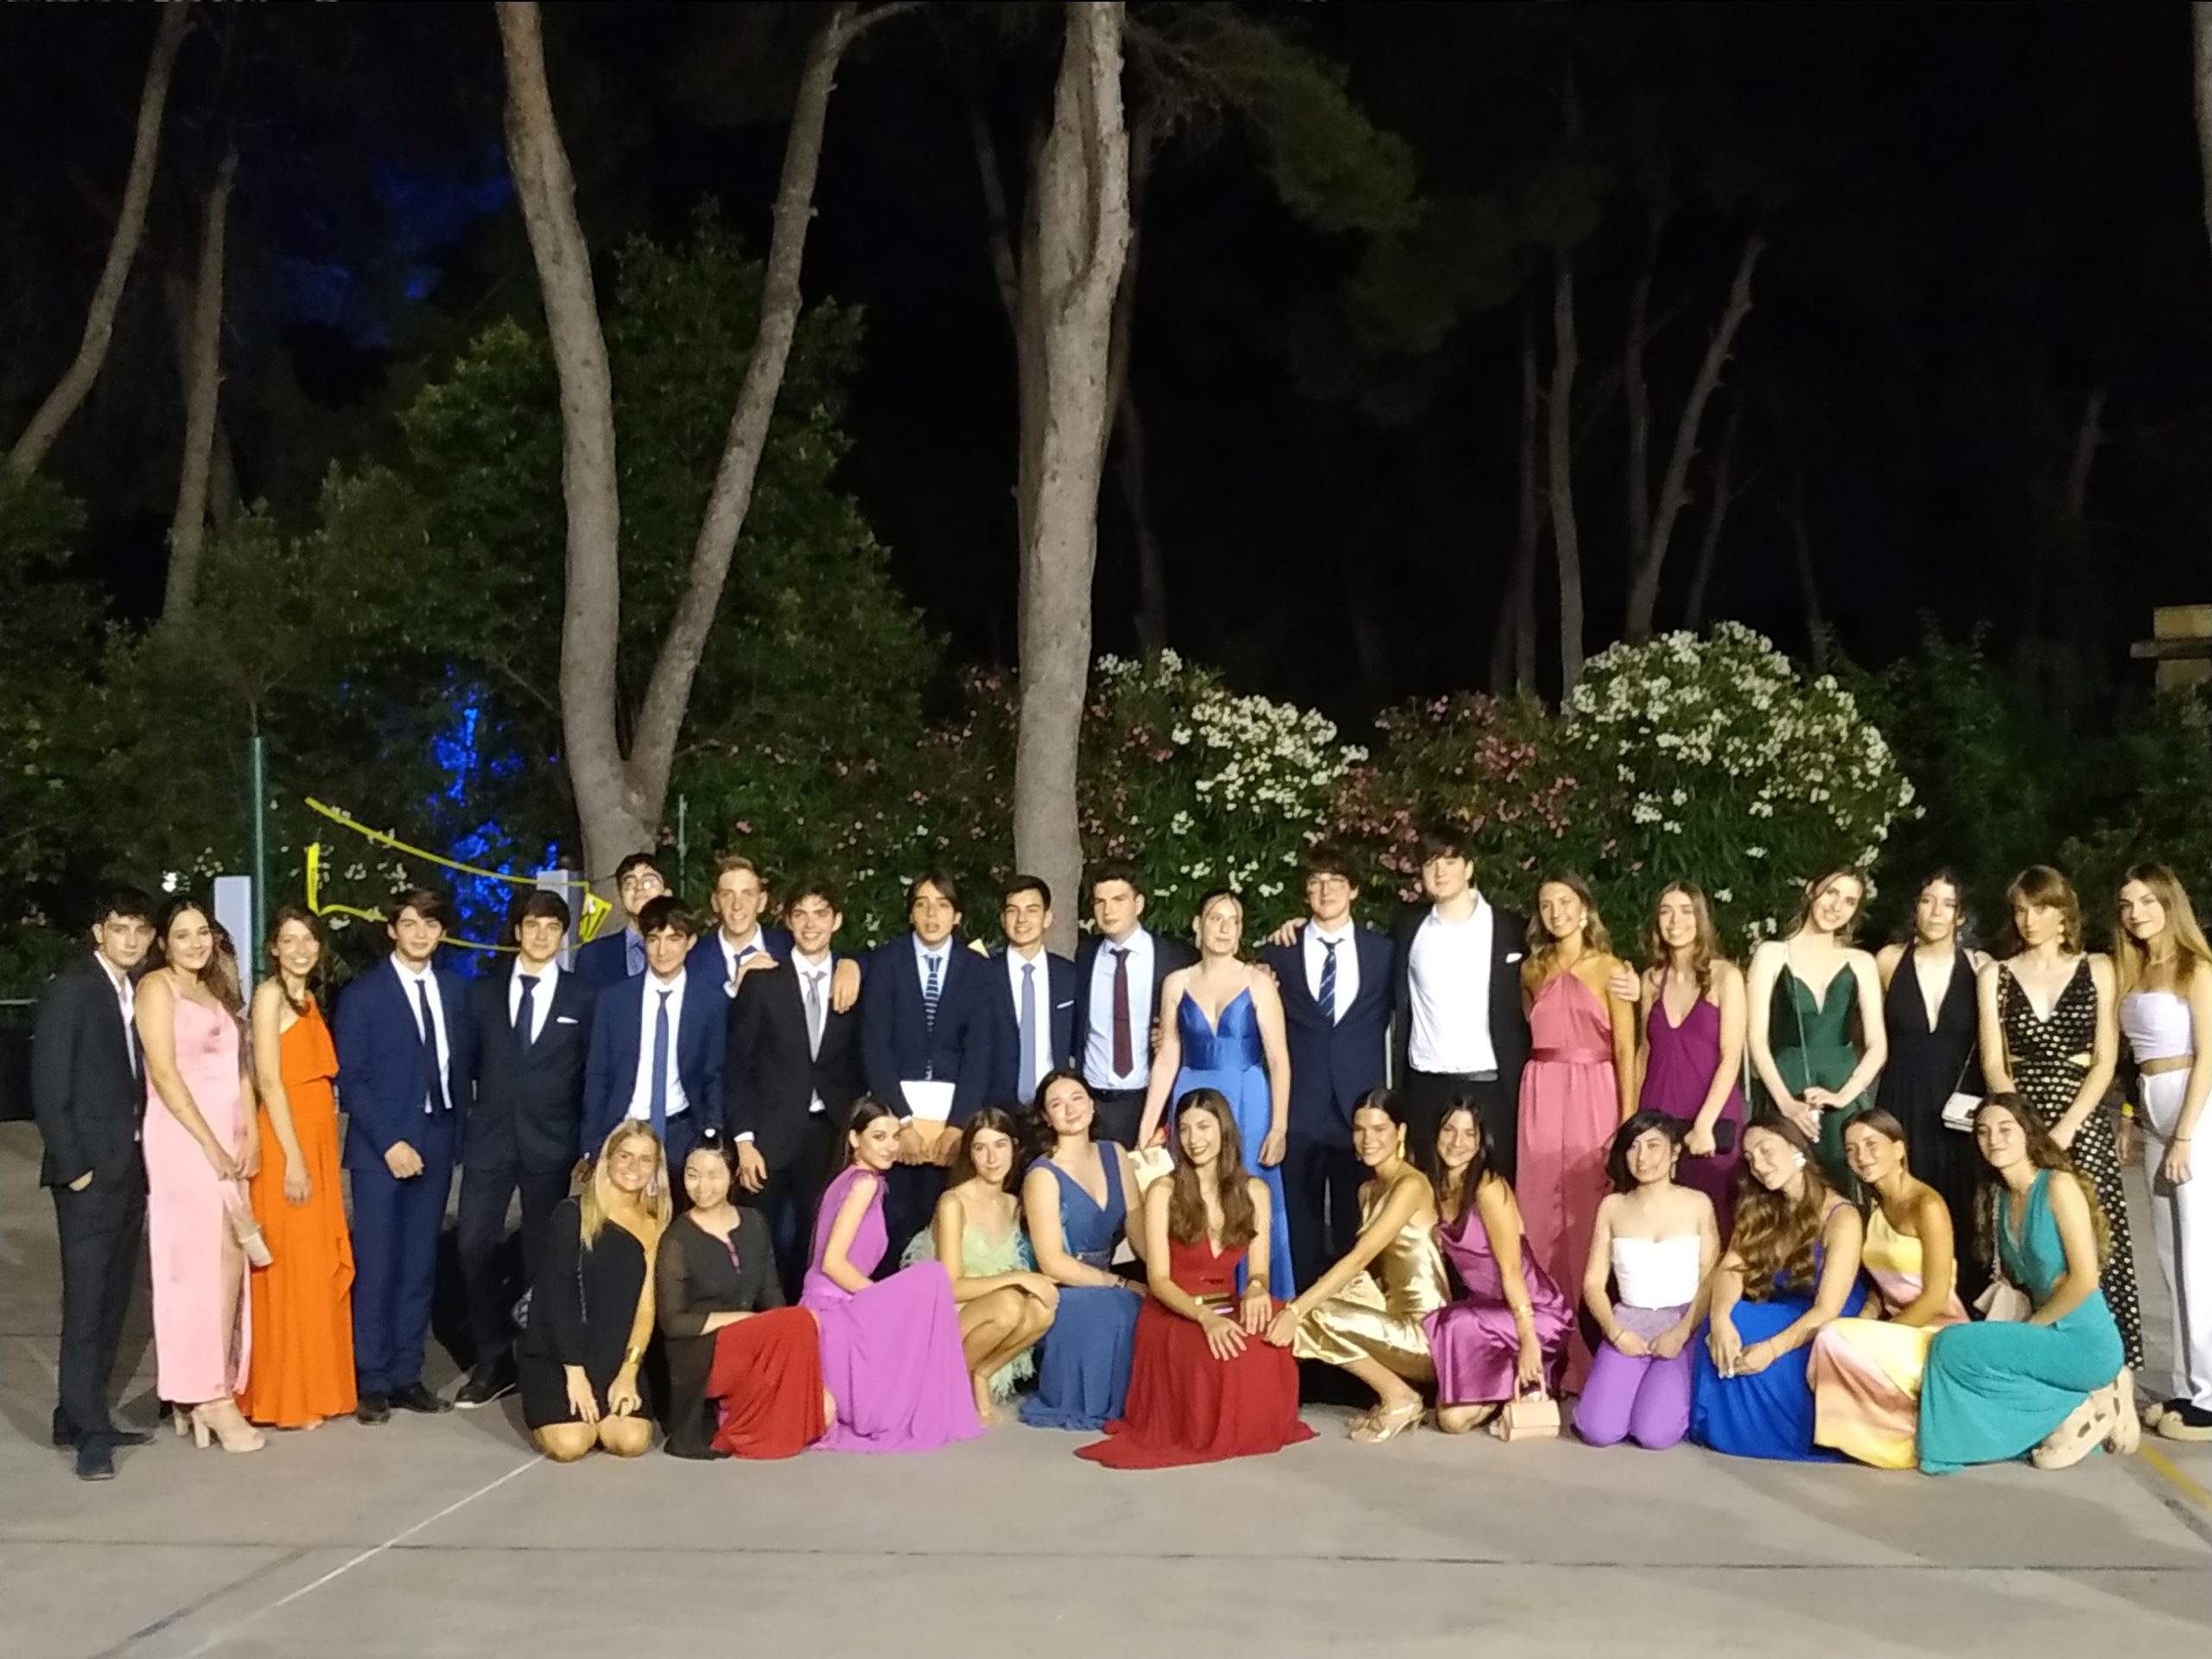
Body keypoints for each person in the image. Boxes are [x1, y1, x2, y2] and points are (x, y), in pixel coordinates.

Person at [1077, 1088, 1314, 1468]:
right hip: (1175, 1311)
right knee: (1222, 1357)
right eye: (1185, 1129)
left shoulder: (1255, 1191)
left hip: (1228, 1303)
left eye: (1203, 1126)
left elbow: (1258, 1272)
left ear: (1224, 1130)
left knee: (1270, 1343)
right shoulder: (1164, 1191)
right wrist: (1205, 1319)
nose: (1193, 1139)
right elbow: (1158, 1280)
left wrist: (1256, 1288)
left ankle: (1254, 1426)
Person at [1977, 864, 2140, 1373]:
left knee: (2095, 1237)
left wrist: (2068, 1126)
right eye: (2021, 910)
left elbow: (2105, 1061)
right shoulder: (1995, 975)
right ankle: (2037, 1352)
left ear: (2064, 912)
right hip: (2018, 1117)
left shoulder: (2098, 968)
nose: (2029, 920)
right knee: (2030, 1239)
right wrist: (2020, 1128)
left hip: (2080, 1115)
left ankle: (2110, 1370)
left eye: (2041, 908)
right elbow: (1994, 1063)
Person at [1919, 1095, 2132, 1473]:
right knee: (1956, 1349)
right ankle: (2076, 1405)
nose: (1993, 1140)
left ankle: (2077, 1407)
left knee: (1951, 1346)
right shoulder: (1999, 1198)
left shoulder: (2058, 1186)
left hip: (2084, 1340)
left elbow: (2085, 1279)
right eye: (1983, 1132)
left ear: (2028, 1134)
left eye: (2005, 1130)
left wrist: (2033, 1327)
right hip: (2045, 1336)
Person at [334, 887, 471, 1424]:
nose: (420, 934)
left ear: (442, 933)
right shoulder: (363, 996)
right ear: (393, 929)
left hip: (437, 1139)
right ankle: (370, 1377)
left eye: (430, 925)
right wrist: (390, 1142)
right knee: (378, 1264)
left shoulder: (454, 991)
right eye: (410, 923)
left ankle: (406, 1373)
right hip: (381, 1149)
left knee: (419, 1265)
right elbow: (353, 1080)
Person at [34, 886, 158, 1480]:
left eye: (140, 929)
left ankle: (78, 1413)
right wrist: (75, 1166)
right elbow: (48, 1085)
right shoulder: (74, 988)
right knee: (87, 1306)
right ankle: (90, 1435)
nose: (131, 939)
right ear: (98, 932)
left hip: (129, 1169)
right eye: (120, 928)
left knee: (112, 1303)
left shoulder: (132, 989)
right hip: (88, 1175)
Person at [454, 891, 596, 1408]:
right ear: (517, 931)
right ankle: (492, 1357)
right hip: (489, 1141)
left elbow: (590, 1074)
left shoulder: (584, 997)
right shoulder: (482, 993)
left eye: (552, 927)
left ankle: (536, 1358)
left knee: (543, 1256)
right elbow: (464, 1067)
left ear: (563, 936)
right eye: (532, 925)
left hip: (552, 1145)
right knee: (473, 1245)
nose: (541, 935)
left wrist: (587, 1144)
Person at [136, 895, 262, 1452]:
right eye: (182, 934)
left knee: (230, 1260)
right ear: (164, 942)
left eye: (203, 932)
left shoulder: (216, 990)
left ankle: (210, 1388)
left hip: (228, 1141)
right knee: (194, 1267)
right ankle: (205, 1393)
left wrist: (250, 1132)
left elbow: (239, 1068)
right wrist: (209, 1143)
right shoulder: (156, 988)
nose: (195, 943)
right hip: (183, 1140)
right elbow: (164, 1074)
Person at [1138, 888, 1296, 1295]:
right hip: (1191, 1091)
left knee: (1247, 1193)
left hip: (1249, 1098)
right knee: (1193, 1191)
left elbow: (1278, 1059)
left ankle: (1259, 1294)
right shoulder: (1176, 983)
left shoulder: (1258, 983)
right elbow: (1168, 1053)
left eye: (1233, 921)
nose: (1225, 929)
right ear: (1198, 925)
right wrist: (1147, 1126)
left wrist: (1279, 1127)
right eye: (1216, 918)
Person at [802, 1098, 982, 1452]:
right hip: (834, 1314)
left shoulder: (849, 1180)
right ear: (855, 1139)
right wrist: (880, 1299)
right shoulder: (864, 1183)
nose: (890, 1146)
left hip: (830, 1307)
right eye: (879, 1136)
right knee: (932, 1277)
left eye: (895, 1136)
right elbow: (832, 1263)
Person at [1269, 1090, 1448, 1443]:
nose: (1368, 1140)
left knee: (1312, 1314)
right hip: (1392, 1317)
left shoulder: (1411, 1184)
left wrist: (1296, 1309)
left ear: (1401, 1132)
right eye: (1360, 1129)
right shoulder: (1367, 1189)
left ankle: (1400, 1397)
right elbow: (1374, 1271)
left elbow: (1359, 1258)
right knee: (1310, 1311)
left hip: (1427, 1334)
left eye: (1380, 1129)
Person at [1516, 872, 1637, 1390]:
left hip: (1595, 1090)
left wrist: (1628, 1125)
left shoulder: (1611, 969)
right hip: (1542, 1091)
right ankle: (1546, 1350)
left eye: (1565, 902)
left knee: (1589, 1214)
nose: (1557, 912)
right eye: (1547, 904)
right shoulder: (1531, 970)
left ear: (1585, 909)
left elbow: (1627, 1050)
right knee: (1538, 1217)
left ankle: (1593, 1357)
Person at [1260, 845, 1396, 1300]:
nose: (1326, 890)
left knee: (1357, 1223)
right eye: (1316, 882)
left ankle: (1355, 1313)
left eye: (1336, 881)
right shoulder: (1278, 953)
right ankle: (1300, 1315)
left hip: (1361, 1110)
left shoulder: (1384, 953)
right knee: (1298, 1226)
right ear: (1305, 893)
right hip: (1299, 1106)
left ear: (1353, 890)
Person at [239, 906, 357, 1429]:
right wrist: (292, 1158)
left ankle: (315, 1388)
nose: (301, 949)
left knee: (312, 1264)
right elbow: (268, 1078)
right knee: (291, 1267)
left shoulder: (307, 998)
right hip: (289, 1140)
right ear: (273, 948)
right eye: (289, 940)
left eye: (308, 939)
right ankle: (287, 1395)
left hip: (316, 1136)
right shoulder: (268, 997)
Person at [1690, 1118, 1869, 1461]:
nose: (1758, 1164)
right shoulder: (1759, 1203)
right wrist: (1721, 1318)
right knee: (1727, 1320)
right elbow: (1731, 1268)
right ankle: (1726, 1428)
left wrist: (1771, 1350)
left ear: (1796, 1149)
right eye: (1749, 1157)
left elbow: (1827, 1309)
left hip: (1825, 1315)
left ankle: (1787, 1432)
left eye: (1766, 1150)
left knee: (1756, 1332)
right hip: (1783, 1303)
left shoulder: (1842, 1217)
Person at [727, 875, 864, 1302]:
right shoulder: (763, 982)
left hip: (830, 1132)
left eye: (820, 914)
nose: (810, 924)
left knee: (819, 1241)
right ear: (787, 921)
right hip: (767, 1135)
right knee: (757, 1242)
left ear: (836, 921)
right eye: (800, 914)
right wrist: (743, 1140)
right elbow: (738, 1066)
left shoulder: (855, 981)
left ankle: (811, 1326)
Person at [1806, 1110, 1966, 1468]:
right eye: (1851, 1149)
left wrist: (1880, 1334)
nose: (1861, 1156)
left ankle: (1900, 1442)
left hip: (1937, 1331)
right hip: (1896, 1327)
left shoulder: (1928, 1205)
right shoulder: (1874, 1206)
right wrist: (1869, 1314)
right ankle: (1874, 1437)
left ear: (1899, 1149)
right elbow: (1883, 1282)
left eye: (1871, 1145)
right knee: (1831, 1334)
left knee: (1833, 1337)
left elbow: (1936, 1296)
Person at [2114, 865, 2212, 1441]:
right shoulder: (2134, 967)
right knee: (2170, 1256)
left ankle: (2210, 1393)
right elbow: (2134, 1056)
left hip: (2191, 1105)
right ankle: (2185, 1385)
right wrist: (2131, 1115)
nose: (2137, 913)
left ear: (2170, 904)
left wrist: (2185, 1134)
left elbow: (2209, 1055)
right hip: (2151, 1102)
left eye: (2148, 901)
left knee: (2199, 1252)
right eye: (2128, 904)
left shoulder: (2195, 967)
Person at [656, 1132, 825, 1460]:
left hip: (750, 1341)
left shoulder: (754, 1222)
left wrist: (780, 1332)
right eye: (693, 1175)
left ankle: (785, 1411)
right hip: (701, 1352)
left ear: (732, 1175)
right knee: (798, 1321)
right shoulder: (677, 1239)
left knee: (801, 1323)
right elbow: (673, 1323)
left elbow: (771, 1293)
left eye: (713, 1175)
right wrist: (746, 1321)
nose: (702, 1186)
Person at [516, 1122, 671, 1461]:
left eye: (645, 1159)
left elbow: (646, 1306)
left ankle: (603, 1409)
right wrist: (574, 1373)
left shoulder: (654, 1224)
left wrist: (629, 1371)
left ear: (656, 1168)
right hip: (559, 1352)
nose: (634, 1166)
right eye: (625, 1156)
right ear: (607, 1159)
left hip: (613, 1353)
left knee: (631, 1441)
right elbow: (557, 1298)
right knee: (571, 1445)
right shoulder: (571, 1214)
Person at [860, 870, 997, 1250]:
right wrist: (900, 1121)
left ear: (957, 915)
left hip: (952, 1120)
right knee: (894, 1226)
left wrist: (958, 1125)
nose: (932, 915)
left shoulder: (978, 970)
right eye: (922, 905)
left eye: (942, 905)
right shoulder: (887, 962)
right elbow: (875, 1045)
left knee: (947, 1229)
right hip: (898, 1117)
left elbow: (981, 1051)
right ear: (911, 914)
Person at [1421, 1098, 1573, 1433]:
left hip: (1536, 1313)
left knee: (1453, 1322)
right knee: (1451, 1422)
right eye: (1449, 1130)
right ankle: (1514, 1390)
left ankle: (1534, 1369)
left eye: (1469, 1134)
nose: (1457, 1142)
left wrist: (1529, 1339)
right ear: (1435, 1134)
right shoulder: (1433, 1186)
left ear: (1481, 1142)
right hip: (1489, 1313)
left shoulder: (1488, 1187)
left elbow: (1511, 1271)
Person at [1873, 872, 1991, 1302]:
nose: (1937, 912)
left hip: (1959, 1104)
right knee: (1899, 1200)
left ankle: (1961, 1307)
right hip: (1901, 1095)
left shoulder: (1981, 966)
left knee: (1962, 1204)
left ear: (1961, 914)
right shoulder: (1888, 961)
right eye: (1928, 901)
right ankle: (1900, 1299)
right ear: (1915, 907)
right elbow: (1869, 1036)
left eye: (1948, 904)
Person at [1391, 823, 1531, 1179]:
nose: (1440, 871)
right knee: (1426, 1190)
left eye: (1450, 861)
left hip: (1491, 1084)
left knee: (1494, 1189)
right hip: (1425, 1085)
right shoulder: (1409, 929)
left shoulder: (1512, 930)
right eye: (1430, 863)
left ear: (1468, 868)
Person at [1574, 1113, 1720, 1452]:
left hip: (1682, 1322)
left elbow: (1710, 1277)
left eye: (1653, 1146)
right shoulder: (1612, 1206)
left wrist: (1681, 1332)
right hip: (1628, 1322)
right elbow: (1593, 1283)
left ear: (1675, 1152)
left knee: (1654, 1434)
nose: (1642, 1157)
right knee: (1598, 1431)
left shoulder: (1698, 1204)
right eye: (1634, 1147)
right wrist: (1616, 1333)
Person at [902, 1109, 1056, 1420]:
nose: (992, 1158)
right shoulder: (953, 1202)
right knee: (1010, 1304)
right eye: (980, 1148)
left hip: (989, 1309)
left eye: (1000, 1145)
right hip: (947, 1313)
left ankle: (981, 1374)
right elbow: (950, 1287)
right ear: (970, 1155)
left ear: (1014, 1147)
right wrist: (1018, 1278)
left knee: (1043, 1307)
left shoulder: (1012, 1204)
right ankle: (947, 1385)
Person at [1745, 868, 1887, 1194]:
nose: (1837, 906)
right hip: (1785, 1085)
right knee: (1784, 1187)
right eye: (1831, 892)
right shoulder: (1772, 954)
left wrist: (1844, 1096)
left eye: (1849, 901)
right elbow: (1756, 1039)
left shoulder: (1861, 962)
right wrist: (1785, 1102)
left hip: (1843, 1090)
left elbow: (1878, 1046)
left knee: (1844, 1187)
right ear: (1812, 891)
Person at [1020, 1070, 1146, 1429]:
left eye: (1077, 1098)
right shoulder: (1042, 1174)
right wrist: (1121, 1283)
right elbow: (1052, 1263)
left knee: (1155, 1305)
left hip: (1109, 1276)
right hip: (1064, 1286)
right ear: (1046, 1118)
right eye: (1057, 1104)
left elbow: (1136, 1223)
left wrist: (1163, 1273)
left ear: (1092, 1104)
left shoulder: (1115, 1153)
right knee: (1119, 1308)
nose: (1070, 1109)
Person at [1632, 882, 1747, 1236]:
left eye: (1685, 911)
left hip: (1709, 1118)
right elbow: (1643, 1053)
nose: (1675, 921)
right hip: (1657, 1115)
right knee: (1656, 1222)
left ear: (1700, 918)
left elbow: (1731, 1057)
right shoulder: (1651, 980)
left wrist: (1704, 1124)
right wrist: (1631, 1122)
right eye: (1666, 912)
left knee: (1714, 1221)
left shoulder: (1725, 977)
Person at [582, 894, 724, 1177]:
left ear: (690, 942)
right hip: (623, 1130)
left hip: (684, 1133)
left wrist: (711, 1132)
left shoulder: (710, 1002)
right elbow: (597, 1074)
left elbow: (714, 1074)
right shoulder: (613, 1000)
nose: (662, 950)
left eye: (674, 939)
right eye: (653, 939)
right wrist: (591, 1144)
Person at [1072, 860, 1198, 1149]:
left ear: (1138, 904)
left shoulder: (1176, 957)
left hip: (1151, 1098)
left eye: (1118, 899)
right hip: (1093, 1102)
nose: (1108, 910)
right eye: (1100, 902)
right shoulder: (1085, 955)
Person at [982, 875, 1077, 1112]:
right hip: (995, 1106)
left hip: (1055, 1105)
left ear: (1047, 918)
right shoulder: (982, 975)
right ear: (1003, 919)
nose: (1021, 919)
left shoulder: (1070, 975)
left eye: (1031, 910)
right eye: (1013, 911)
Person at [574, 852, 669, 989]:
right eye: (630, 884)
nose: (639, 888)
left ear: (667, 893)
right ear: (620, 896)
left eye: (648, 882)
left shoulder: (691, 952)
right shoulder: (593, 955)